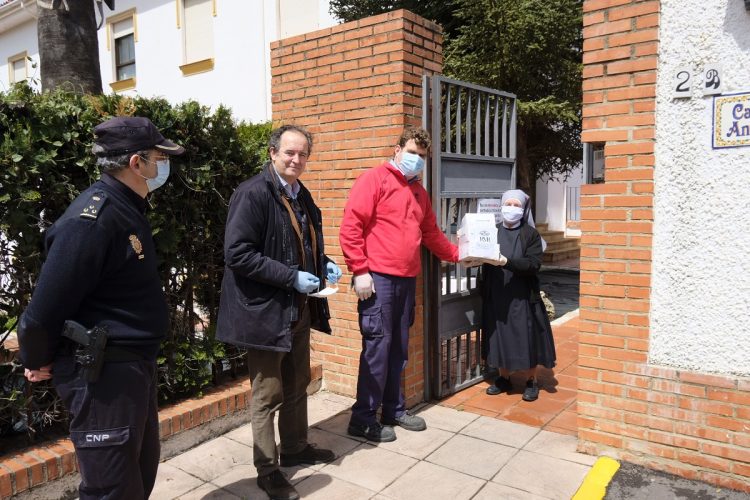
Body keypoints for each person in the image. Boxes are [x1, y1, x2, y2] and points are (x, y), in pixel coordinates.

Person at [17, 116, 185, 499]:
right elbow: (44, 309)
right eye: (159, 157)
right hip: (103, 376)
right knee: (111, 489)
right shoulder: (93, 219)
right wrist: (36, 356)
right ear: (136, 163)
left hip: (129, 369)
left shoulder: (126, 208)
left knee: (137, 476)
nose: (164, 165)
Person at [216, 124, 340, 500]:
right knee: (267, 394)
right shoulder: (253, 193)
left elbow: (299, 245)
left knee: (297, 383)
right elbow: (237, 254)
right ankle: (267, 469)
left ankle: (296, 446)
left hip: (297, 308)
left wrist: (324, 265)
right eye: (289, 152)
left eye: (302, 154)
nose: (296, 159)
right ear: (272, 153)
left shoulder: (301, 195)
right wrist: (290, 277)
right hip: (265, 312)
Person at [339, 127, 459, 442]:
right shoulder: (373, 180)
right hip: (377, 280)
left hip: (406, 281)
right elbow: (351, 226)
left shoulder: (419, 193)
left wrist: (460, 255)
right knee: (377, 348)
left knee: (398, 350)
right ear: (397, 149)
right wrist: (359, 270)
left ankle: (393, 410)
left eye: (422, 156)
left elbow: (431, 234)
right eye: (412, 152)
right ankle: (362, 418)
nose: (416, 159)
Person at [481, 189, 556, 401]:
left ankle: (531, 380)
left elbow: (533, 264)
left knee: (525, 337)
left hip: (522, 296)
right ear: (501, 206)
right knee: (500, 337)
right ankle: (504, 377)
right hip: (497, 293)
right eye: (508, 204)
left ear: (523, 210)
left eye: (517, 206)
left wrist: (507, 262)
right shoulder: (492, 231)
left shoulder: (531, 235)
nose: (511, 209)